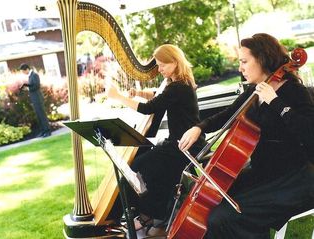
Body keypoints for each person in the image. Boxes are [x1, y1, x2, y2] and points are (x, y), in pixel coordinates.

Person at [178, 33, 314, 238]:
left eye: (244, 61)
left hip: (290, 180)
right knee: (210, 204)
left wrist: (275, 102)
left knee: (223, 218)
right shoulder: (253, 92)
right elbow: (228, 115)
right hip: (262, 174)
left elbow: (309, 131)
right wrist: (200, 127)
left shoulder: (294, 91)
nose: (240, 68)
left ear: (262, 58)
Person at [107, 44, 207, 234]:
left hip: (184, 145)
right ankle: (149, 214)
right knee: (152, 167)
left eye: (162, 65)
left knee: (137, 166)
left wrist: (117, 96)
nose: (159, 69)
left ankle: (145, 214)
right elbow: (158, 95)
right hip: (180, 142)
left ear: (175, 62)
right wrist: (138, 93)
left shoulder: (178, 87)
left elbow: (148, 108)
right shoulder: (179, 82)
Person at [19, 63, 51, 138]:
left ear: (26, 69)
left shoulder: (34, 75)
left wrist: (28, 88)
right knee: (38, 115)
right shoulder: (30, 76)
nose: (23, 73)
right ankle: (43, 131)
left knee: (42, 115)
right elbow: (32, 85)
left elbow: (37, 86)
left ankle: (47, 131)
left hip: (38, 98)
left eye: (23, 71)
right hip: (34, 98)